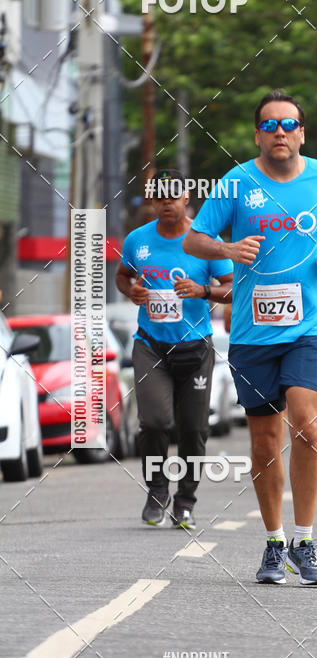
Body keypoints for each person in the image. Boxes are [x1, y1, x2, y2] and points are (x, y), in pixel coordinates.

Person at [183, 90, 317, 584]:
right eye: (270, 125)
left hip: (312, 325)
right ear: (258, 134)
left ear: (302, 132)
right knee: (263, 442)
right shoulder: (236, 183)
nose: (280, 132)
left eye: (289, 124)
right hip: (254, 332)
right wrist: (229, 248)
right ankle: (275, 542)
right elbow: (195, 239)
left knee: (308, 424)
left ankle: (306, 540)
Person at [116, 169, 233, 528]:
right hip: (150, 345)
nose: (167, 201)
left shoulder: (205, 240)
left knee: (193, 427)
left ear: (186, 199)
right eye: (160, 195)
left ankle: (185, 500)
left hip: (195, 348)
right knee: (154, 421)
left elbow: (232, 289)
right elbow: (123, 275)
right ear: (152, 201)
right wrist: (130, 290)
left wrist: (202, 291)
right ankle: (156, 489)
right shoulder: (138, 240)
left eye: (174, 195)